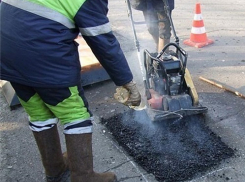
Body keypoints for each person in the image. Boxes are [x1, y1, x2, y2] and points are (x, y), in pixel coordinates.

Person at [0, 0, 141, 182]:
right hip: (40, 50)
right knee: (75, 112)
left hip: (6, 45)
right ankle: (83, 176)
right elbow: (102, 40)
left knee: (38, 110)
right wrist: (126, 82)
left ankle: (55, 170)